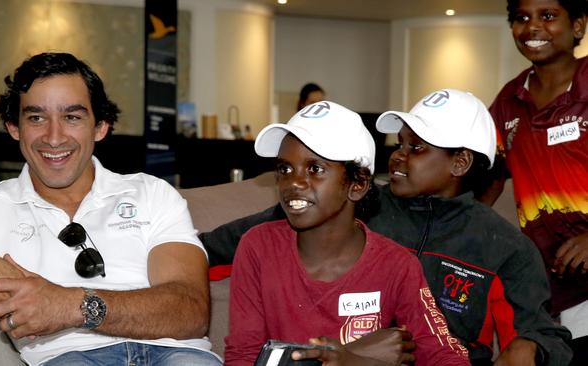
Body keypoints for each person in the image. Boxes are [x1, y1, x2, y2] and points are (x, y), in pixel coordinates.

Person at [202, 89, 572, 365]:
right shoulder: (346, 208)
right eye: (399, 144)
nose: (397, 155)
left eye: (416, 148)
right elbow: (236, 242)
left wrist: (532, 347)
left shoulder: (503, 244)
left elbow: (539, 331)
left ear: (459, 163)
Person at [0, 52, 221, 366]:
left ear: (100, 127)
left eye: (72, 117)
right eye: (36, 118)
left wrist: (69, 305)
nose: (54, 137)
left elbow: (190, 310)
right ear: (14, 128)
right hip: (69, 358)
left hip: (177, 355)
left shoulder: (151, 194)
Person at [224, 100, 470, 365]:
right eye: (284, 169)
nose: (293, 182)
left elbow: (445, 356)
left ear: (358, 185)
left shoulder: (397, 265)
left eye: (315, 169)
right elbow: (242, 357)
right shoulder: (259, 247)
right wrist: (355, 356)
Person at [484, 0, 588, 363]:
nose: (531, 28)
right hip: (550, 284)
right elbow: (488, 179)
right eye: (521, 18)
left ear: (578, 26)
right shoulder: (508, 102)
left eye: (548, 16)